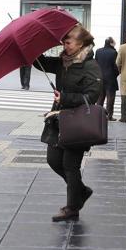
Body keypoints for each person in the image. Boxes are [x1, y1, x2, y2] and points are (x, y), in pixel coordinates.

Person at [34, 24, 101, 222]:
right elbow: (41, 63)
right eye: (64, 41)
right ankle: (81, 191)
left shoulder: (90, 66)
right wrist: (34, 48)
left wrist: (65, 97)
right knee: (53, 160)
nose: (65, 45)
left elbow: (92, 96)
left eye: (68, 42)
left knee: (70, 165)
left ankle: (72, 208)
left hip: (78, 122)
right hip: (59, 119)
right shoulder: (64, 61)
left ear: (81, 44)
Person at [95, 37, 119, 121]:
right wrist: (116, 74)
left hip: (100, 77)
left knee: (100, 97)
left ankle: (98, 115)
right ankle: (109, 115)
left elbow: (96, 64)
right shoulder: (114, 52)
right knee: (110, 97)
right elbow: (115, 66)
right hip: (110, 77)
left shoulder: (98, 51)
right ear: (111, 43)